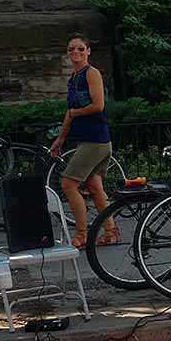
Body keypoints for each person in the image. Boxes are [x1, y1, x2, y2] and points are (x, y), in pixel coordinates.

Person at [50, 34, 117, 248]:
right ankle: (110, 232)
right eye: (71, 49)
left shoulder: (91, 73)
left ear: (88, 51)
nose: (75, 52)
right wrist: (60, 139)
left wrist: (76, 112)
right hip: (89, 140)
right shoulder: (73, 78)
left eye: (80, 48)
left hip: (95, 139)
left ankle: (82, 234)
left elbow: (98, 106)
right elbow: (69, 113)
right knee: (95, 186)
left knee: (68, 184)